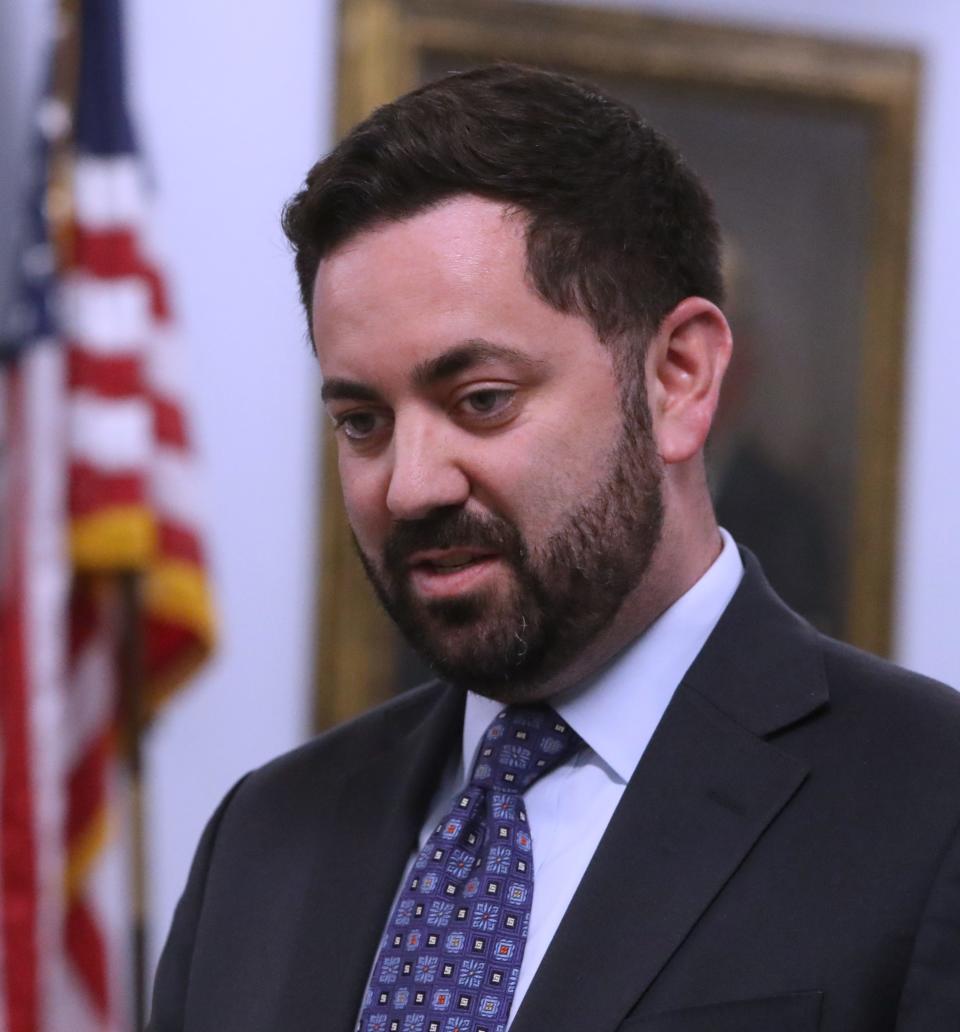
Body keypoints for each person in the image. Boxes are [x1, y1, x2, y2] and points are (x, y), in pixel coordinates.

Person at [148, 65, 960, 1032]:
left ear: (677, 377)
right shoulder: (263, 838)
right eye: (362, 421)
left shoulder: (932, 809)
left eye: (480, 400)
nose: (410, 485)